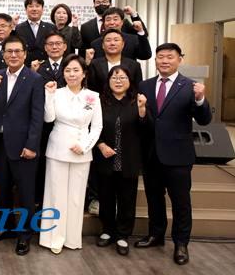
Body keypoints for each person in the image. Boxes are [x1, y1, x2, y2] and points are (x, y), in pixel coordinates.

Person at [135, 43, 212, 266]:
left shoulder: (190, 86)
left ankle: (181, 243)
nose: (164, 61)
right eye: (160, 57)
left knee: (181, 202)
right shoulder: (145, 85)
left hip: (178, 155)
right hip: (151, 154)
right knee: (154, 198)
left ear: (180, 59)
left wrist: (200, 99)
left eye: (170, 57)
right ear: (155, 61)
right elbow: (145, 121)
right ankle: (156, 235)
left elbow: (204, 120)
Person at [0, 34, 44, 256]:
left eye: (17, 51)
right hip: (0, 143)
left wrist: (32, 145)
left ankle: (24, 235)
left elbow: (37, 116)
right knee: (2, 190)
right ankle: (6, 228)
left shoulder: (34, 79)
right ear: (3, 55)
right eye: (9, 51)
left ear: (25, 54)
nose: (13, 55)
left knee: (26, 193)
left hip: (23, 146)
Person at [39, 54, 103, 254]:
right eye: (67, 70)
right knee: (56, 195)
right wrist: (49, 96)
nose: (72, 74)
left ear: (84, 74)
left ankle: (72, 238)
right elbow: (49, 118)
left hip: (82, 151)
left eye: (76, 70)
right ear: (63, 73)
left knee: (76, 197)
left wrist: (84, 146)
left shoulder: (93, 96)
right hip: (58, 148)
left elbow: (97, 127)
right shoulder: (56, 93)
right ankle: (53, 238)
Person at [93, 65, 150, 255]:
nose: (118, 81)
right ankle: (107, 230)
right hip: (105, 158)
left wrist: (142, 110)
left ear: (130, 81)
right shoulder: (100, 102)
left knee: (127, 199)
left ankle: (123, 235)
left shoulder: (137, 101)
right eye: (114, 78)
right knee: (106, 197)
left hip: (129, 159)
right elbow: (91, 127)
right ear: (108, 81)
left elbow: (146, 130)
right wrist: (101, 145)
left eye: (123, 78)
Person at [32, 31, 67, 208]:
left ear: (65, 46)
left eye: (58, 43)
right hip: (44, 125)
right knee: (43, 164)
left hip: (66, 123)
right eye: (50, 44)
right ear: (45, 48)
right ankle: (41, 200)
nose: (54, 47)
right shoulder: (38, 68)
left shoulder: (72, 66)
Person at [79, 0, 147, 56]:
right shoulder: (85, 27)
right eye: (98, 2)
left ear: (110, 4)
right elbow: (83, 50)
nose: (101, 4)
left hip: (124, 60)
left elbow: (142, 35)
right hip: (98, 62)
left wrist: (134, 15)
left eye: (104, 2)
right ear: (94, 5)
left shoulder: (123, 22)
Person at [87, 29, 143, 94]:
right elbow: (90, 88)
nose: (112, 43)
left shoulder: (134, 65)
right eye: (108, 40)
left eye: (116, 40)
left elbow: (138, 89)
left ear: (123, 44)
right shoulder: (94, 64)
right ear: (103, 45)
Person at [15, 0, 56, 67]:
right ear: (26, 9)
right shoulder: (19, 28)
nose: (34, 9)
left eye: (37, 6)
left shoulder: (51, 27)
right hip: (25, 67)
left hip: (46, 67)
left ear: (42, 9)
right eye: (31, 6)